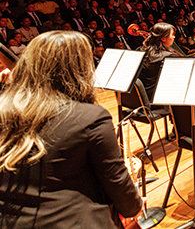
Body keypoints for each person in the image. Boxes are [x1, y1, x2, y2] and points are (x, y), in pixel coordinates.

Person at [0, 31, 141, 226]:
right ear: (80, 68)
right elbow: (122, 192)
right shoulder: (90, 117)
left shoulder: (4, 110)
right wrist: (135, 206)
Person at [138, 22, 177, 100]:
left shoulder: (140, 52)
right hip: (162, 100)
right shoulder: (168, 57)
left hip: (143, 98)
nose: (174, 37)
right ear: (163, 38)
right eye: (172, 34)